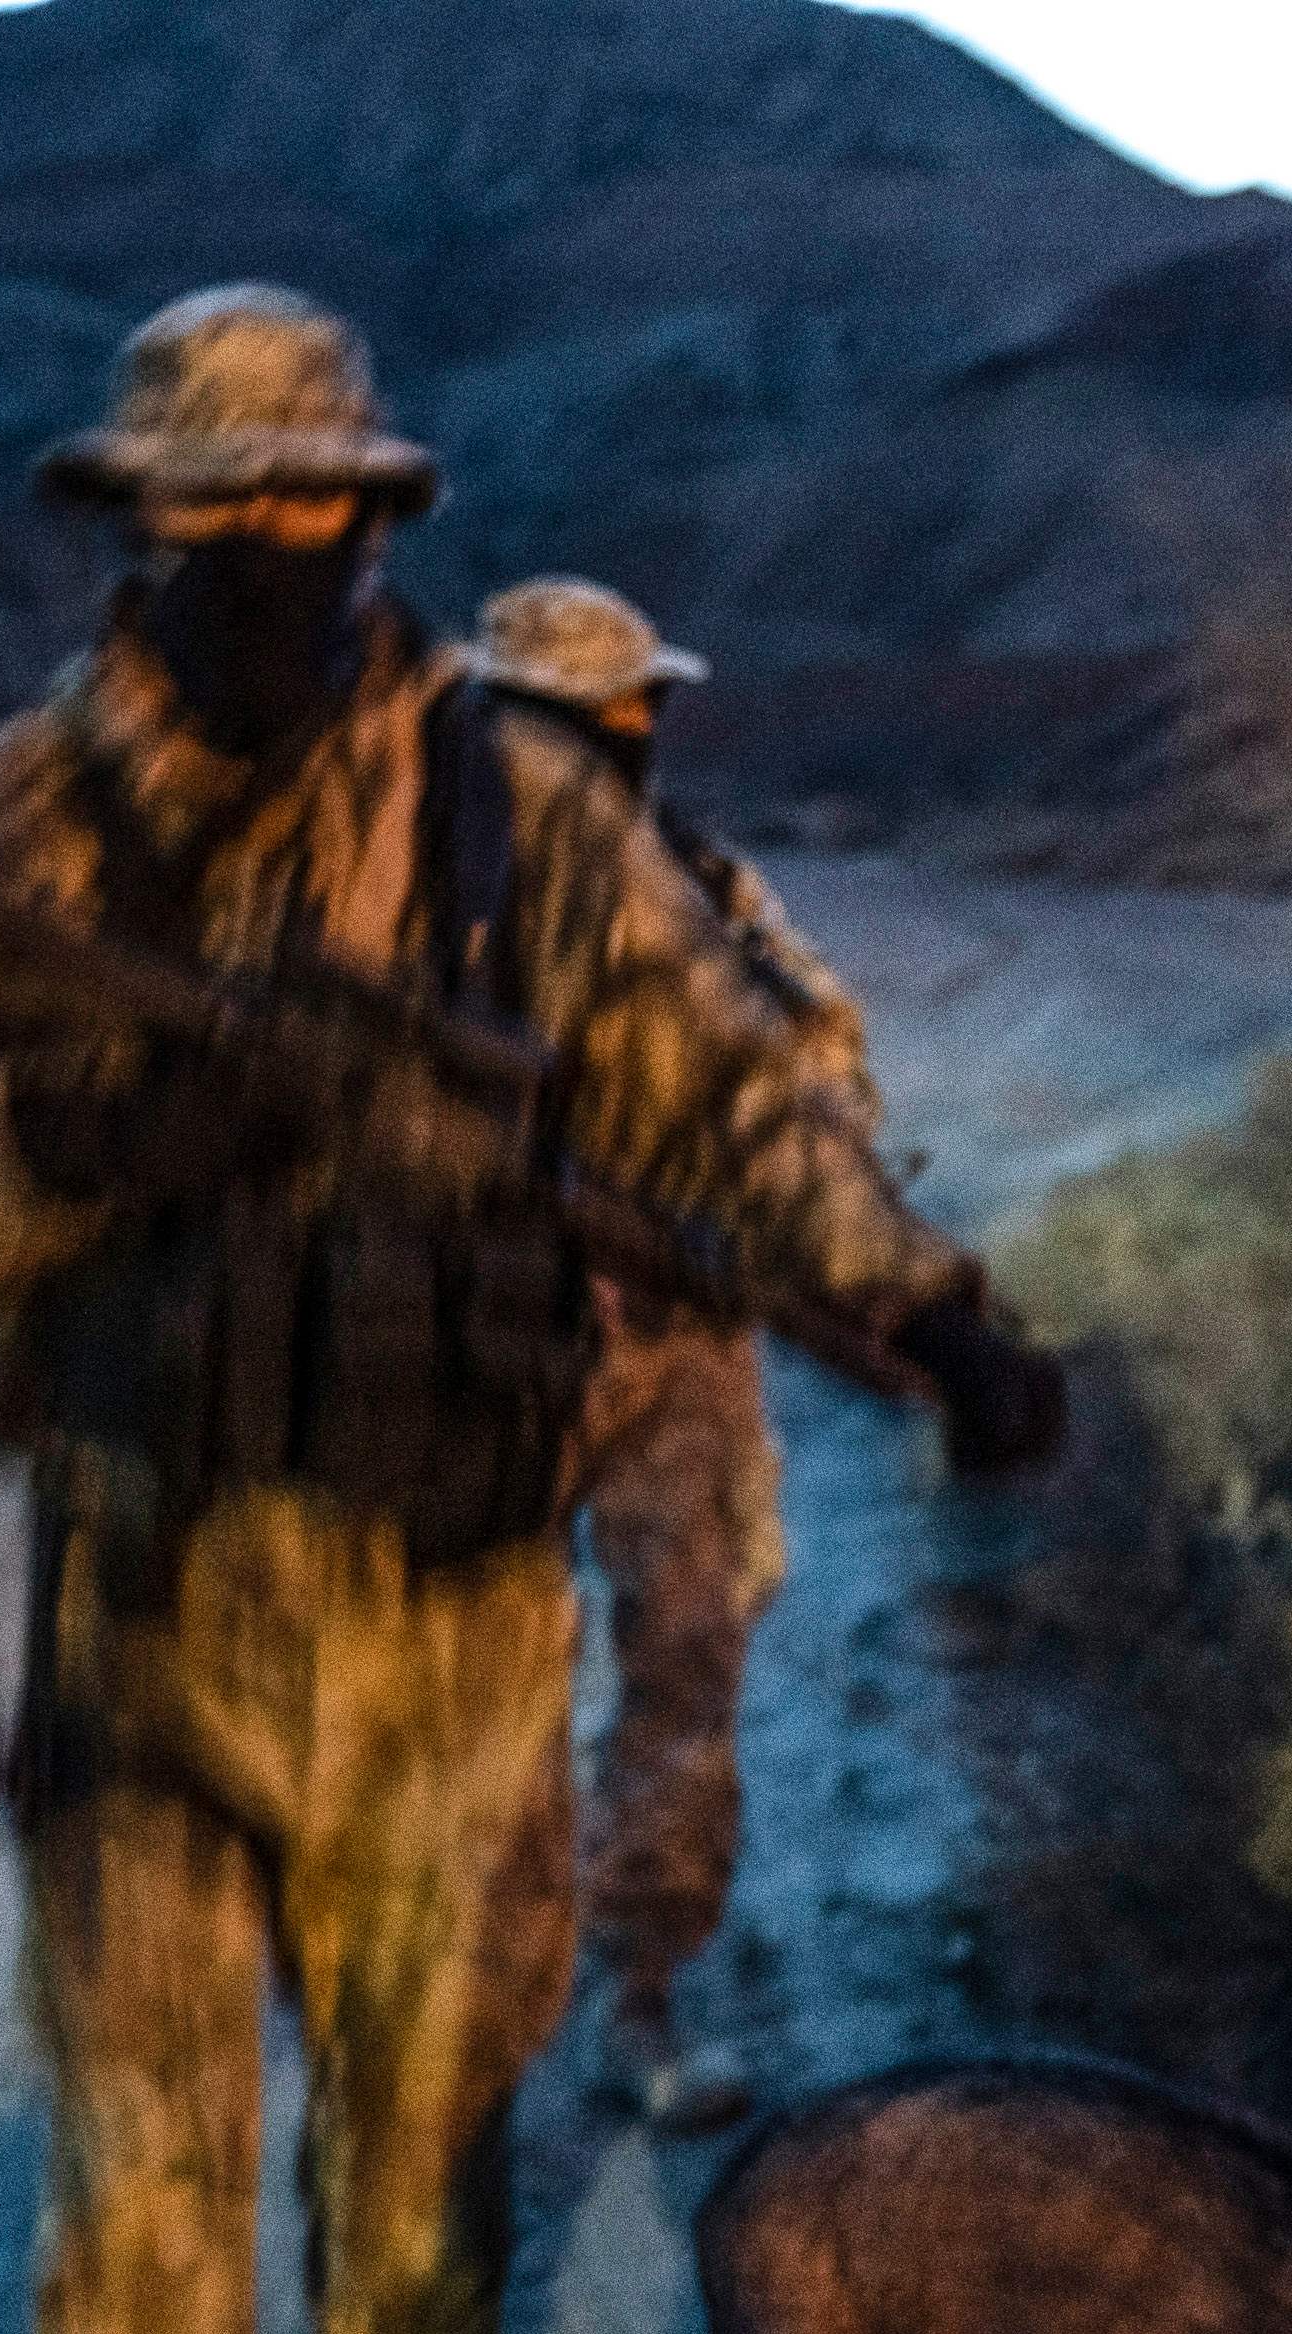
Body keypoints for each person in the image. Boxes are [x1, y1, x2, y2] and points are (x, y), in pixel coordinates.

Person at [0, 286, 1062, 2334]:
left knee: (428, 2134)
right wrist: (75, 1126)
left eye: (310, 515)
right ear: (132, 525)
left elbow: (726, 1093)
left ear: (377, 517)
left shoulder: (515, 819)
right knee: (143, 2165)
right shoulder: (6, 832)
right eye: (212, 520)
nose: (263, 559)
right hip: (144, 1598)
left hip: (454, 1624)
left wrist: (923, 1310)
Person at [465, 575, 863, 2131]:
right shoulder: (397, 907)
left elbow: (827, 1073)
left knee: (681, 1672)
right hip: (478, 1351)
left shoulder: (703, 887)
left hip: (673, 1357)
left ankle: (637, 1992)